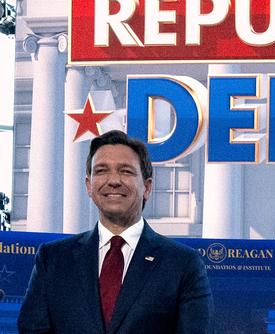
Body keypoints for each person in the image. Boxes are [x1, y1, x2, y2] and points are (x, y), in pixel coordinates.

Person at [18, 130, 215, 333]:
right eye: (102, 170)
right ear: (89, 185)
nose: (113, 180)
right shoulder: (52, 259)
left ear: (147, 187)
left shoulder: (182, 264)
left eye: (126, 171)